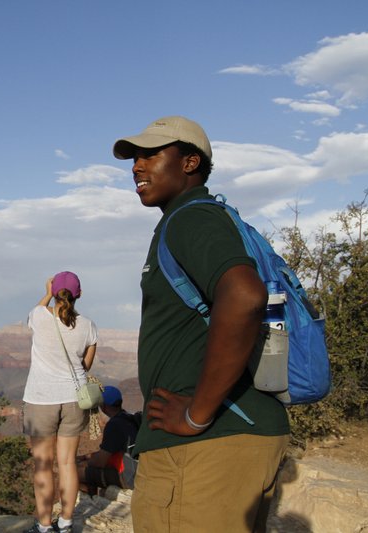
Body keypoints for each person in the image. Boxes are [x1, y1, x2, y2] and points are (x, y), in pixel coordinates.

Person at [112, 116, 290, 532]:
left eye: (151, 154)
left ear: (190, 162)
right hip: (231, 442)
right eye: (134, 157)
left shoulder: (191, 218)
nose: (137, 166)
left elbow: (245, 297)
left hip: (202, 449)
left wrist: (196, 414)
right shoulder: (204, 218)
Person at [22, 272, 98, 533]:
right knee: (67, 463)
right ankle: (65, 524)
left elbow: (39, 308)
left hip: (41, 400)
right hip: (74, 400)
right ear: (79, 295)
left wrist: (47, 292)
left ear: (54, 292)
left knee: (43, 464)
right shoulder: (88, 326)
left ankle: (44, 527)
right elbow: (85, 366)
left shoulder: (39, 316)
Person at [76, 385, 139, 492]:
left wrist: (85, 463)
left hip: (126, 477)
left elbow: (99, 462)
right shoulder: (128, 418)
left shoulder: (114, 425)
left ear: (103, 406)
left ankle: (91, 503)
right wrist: (88, 456)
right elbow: (110, 451)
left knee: (74, 473)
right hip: (136, 471)